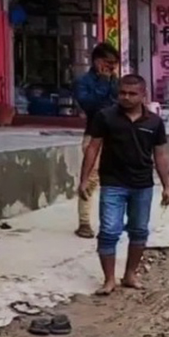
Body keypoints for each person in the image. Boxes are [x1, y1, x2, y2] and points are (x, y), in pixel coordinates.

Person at [78, 74, 169, 295]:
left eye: (132, 94)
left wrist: (166, 185)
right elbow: (93, 148)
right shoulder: (105, 117)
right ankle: (109, 279)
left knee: (139, 231)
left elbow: (160, 155)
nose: (126, 98)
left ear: (143, 95)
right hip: (112, 183)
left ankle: (130, 275)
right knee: (109, 231)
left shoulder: (154, 122)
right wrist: (84, 179)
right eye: (122, 93)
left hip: (142, 185)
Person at [73, 42, 119, 239]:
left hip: (116, 134)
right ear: (97, 61)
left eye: (114, 64)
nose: (111, 67)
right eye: (108, 63)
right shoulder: (83, 82)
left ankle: (111, 221)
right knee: (90, 179)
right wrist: (102, 82)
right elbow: (91, 106)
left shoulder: (117, 81)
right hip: (94, 133)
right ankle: (84, 222)